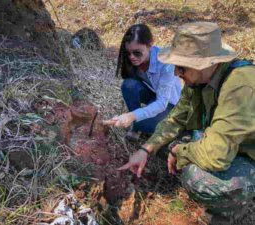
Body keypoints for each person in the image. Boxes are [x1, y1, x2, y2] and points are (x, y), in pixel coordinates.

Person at [117, 21, 255, 223]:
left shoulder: (240, 86)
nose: (176, 73)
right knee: (171, 143)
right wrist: (146, 149)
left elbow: (217, 156)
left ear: (203, 64)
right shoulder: (199, 80)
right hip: (232, 144)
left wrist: (180, 151)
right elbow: (175, 118)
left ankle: (231, 211)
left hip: (247, 153)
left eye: (181, 68)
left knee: (197, 179)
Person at [103, 24, 182, 140]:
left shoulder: (165, 63)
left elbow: (162, 103)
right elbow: (132, 86)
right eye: (128, 53)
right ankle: (136, 127)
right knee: (128, 85)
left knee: (141, 123)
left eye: (137, 53)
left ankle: (148, 126)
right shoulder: (133, 60)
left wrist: (132, 116)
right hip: (153, 94)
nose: (132, 57)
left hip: (169, 103)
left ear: (150, 45)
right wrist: (134, 116)